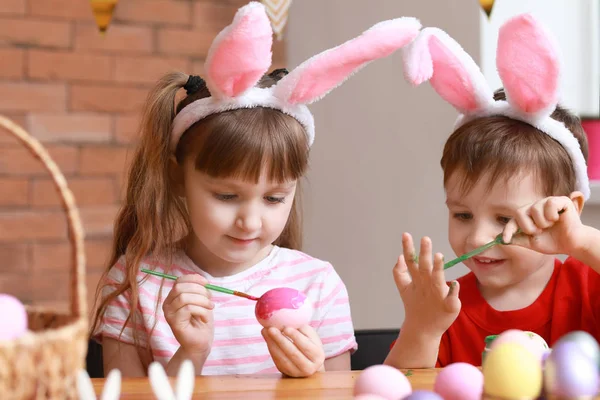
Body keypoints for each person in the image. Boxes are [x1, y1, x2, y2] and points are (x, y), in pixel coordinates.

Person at [90, 2, 422, 377]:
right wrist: (191, 356)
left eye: (274, 198)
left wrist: (309, 379)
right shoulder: (135, 285)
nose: (250, 221)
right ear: (178, 179)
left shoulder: (318, 285)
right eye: (226, 196)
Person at [385, 13, 600, 368]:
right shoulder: (445, 308)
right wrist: (422, 328)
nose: (476, 237)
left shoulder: (586, 287)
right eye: (462, 215)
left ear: (568, 209)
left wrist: (582, 242)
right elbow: (392, 389)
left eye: (504, 218)